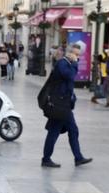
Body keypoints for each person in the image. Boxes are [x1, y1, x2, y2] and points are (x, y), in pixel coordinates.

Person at [39, 41, 91, 169]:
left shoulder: (67, 63)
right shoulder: (63, 63)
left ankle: (77, 157)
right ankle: (47, 159)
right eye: (76, 54)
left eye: (78, 55)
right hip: (59, 104)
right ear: (70, 53)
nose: (77, 57)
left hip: (63, 103)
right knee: (57, 131)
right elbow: (70, 76)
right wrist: (74, 63)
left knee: (68, 130)